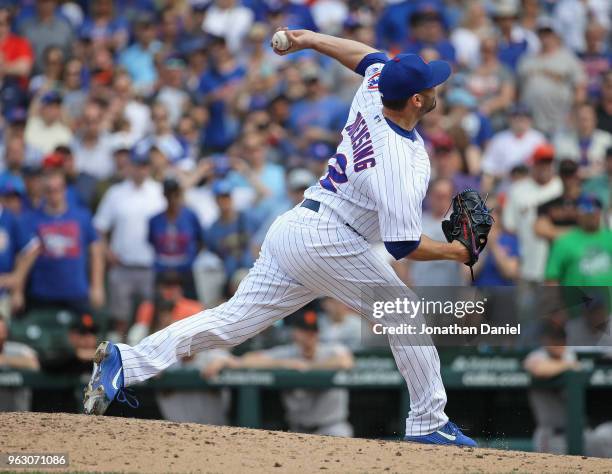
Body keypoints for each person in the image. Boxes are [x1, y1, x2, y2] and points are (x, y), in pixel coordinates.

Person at [84, 28, 478, 447]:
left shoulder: (378, 91)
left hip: (297, 229)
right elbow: (402, 245)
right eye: (431, 83)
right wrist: (457, 252)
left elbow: (369, 57)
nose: (438, 85)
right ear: (416, 100)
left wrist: (309, 38)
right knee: (402, 311)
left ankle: (127, 360)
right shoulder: (398, 162)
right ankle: (428, 421)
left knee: (229, 323)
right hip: (329, 238)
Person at [236, 309, 354, 436]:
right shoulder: (288, 353)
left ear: (317, 333)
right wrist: (284, 364)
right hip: (298, 429)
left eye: (312, 332)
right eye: (304, 331)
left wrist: (309, 367)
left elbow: (345, 362)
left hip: (331, 427)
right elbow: (248, 360)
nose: (309, 336)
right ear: (295, 333)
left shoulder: (331, 350)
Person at [93, 143, 165, 337]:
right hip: (122, 265)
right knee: (120, 320)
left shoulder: (158, 192)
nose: (141, 169)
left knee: (149, 320)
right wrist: (107, 251)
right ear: (130, 166)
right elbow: (99, 227)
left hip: (150, 266)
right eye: (137, 165)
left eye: (144, 165)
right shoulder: (116, 193)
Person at [16, 171, 104, 315]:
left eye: (57, 189)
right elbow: (24, 257)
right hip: (43, 293)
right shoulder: (31, 219)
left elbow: (96, 252)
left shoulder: (82, 216)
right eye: (49, 190)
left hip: (76, 292)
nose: (53, 194)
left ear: (65, 190)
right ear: (43, 192)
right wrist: (18, 291)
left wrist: (97, 286)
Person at [524, 323, 612, 457]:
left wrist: (567, 365)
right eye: (554, 339)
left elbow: (575, 365)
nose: (557, 343)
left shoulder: (568, 355)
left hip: (580, 431)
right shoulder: (538, 355)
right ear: (546, 340)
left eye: (561, 339)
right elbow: (539, 369)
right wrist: (568, 366)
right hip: (551, 434)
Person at [503, 144, 562, 283]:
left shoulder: (561, 187)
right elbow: (510, 227)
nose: (545, 166)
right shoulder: (517, 190)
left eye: (548, 162)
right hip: (527, 266)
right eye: (541, 162)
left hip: (557, 267)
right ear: (533, 164)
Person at [148, 177, 204, 299]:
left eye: (175, 194)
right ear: (164, 195)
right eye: (169, 194)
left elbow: (200, 241)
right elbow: (152, 242)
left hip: (185, 272)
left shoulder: (190, 216)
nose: (172, 198)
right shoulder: (155, 220)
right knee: (160, 309)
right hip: (162, 272)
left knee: (191, 310)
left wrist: (190, 259)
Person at [545, 195, 611, 286]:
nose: (592, 215)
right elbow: (552, 278)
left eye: (596, 209)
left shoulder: (609, 238)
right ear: (577, 213)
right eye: (586, 210)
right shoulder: (564, 242)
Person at [481, 104, 545, 194]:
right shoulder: (499, 139)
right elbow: (487, 171)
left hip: (533, 191)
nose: (520, 120)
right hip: (506, 190)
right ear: (509, 119)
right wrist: (508, 174)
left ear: (530, 119)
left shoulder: (539, 139)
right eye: (516, 116)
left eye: (524, 116)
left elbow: (545, 169)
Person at [534, 160, 581, 243]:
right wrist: (579, 233)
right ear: (560, 176)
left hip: (582, 253)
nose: (568, 178)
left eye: (571, 173)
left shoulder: (589, 202)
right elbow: (541, 230)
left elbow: (597, 229)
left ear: (577, 175)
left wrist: (554, 230)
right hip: (557, 253)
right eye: (565, 174)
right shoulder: (547, 205)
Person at [0, 315, 39, 411]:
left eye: (3, 327)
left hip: (19, 415)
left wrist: (5, 360)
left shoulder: (19, 350)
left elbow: (36, 363)